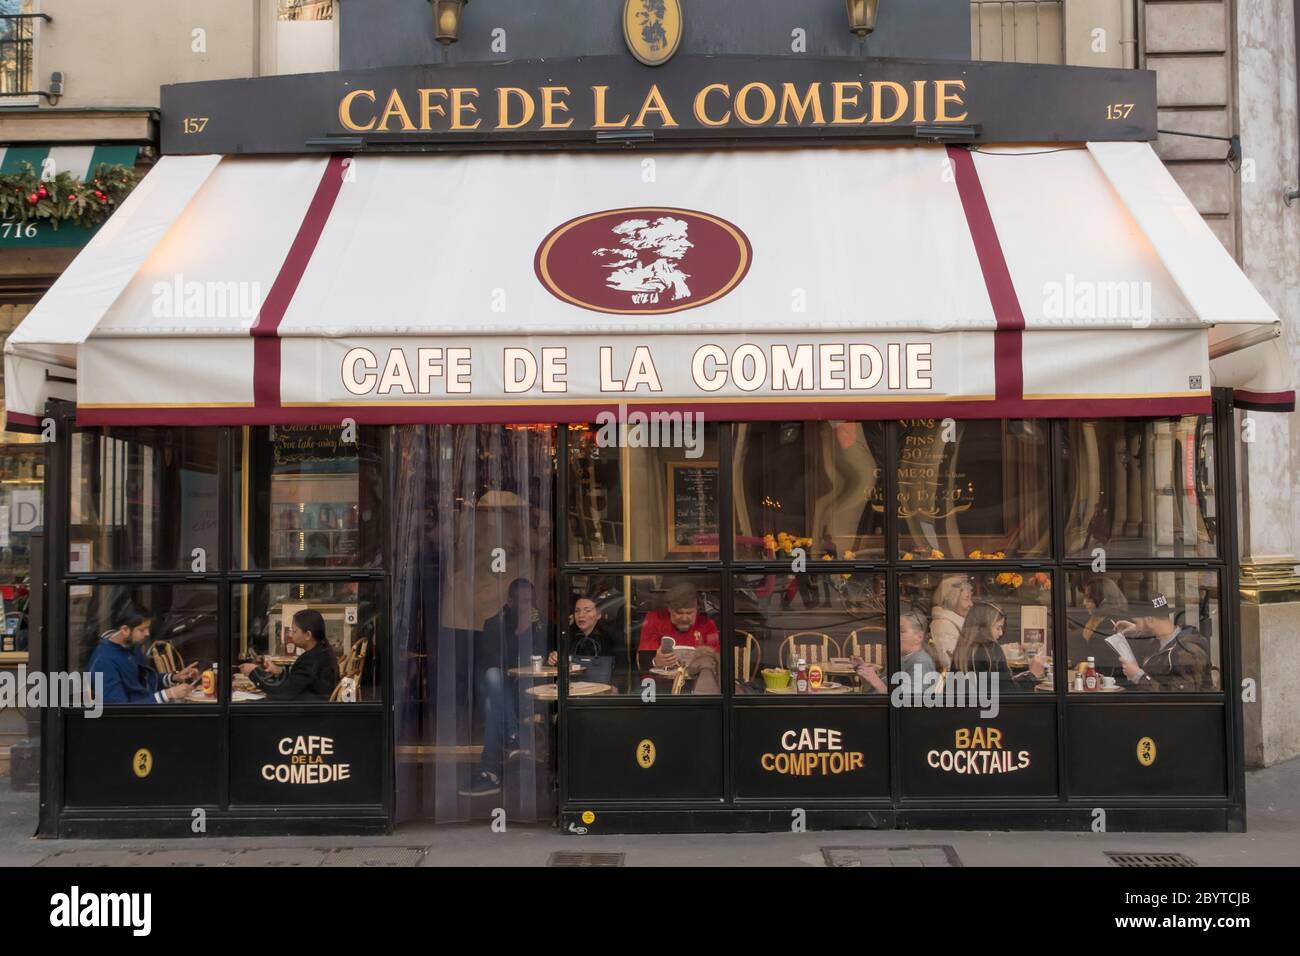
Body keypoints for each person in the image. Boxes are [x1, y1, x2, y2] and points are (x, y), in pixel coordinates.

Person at [463, 578, 552, 797]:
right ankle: (514, 736)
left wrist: (536, 631)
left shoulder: (540, 623)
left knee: (493, 707)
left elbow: (544, 657)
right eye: (523, 602)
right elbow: (497, 661)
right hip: (502, 686)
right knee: (493, 676)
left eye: (530, 601)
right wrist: (519, 633)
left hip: (527, 690)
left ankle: (490, 772)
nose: (528, 607)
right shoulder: (494, 624)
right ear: (510, 602)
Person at [87, 607, 198, 704]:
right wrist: (168, 694)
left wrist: (173, 677)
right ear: (124, 630)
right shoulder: (103, 662)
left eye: (148, 628)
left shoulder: (131, 646)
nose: (147, 633)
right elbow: (118, 710)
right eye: (142, 629)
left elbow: (145, 681)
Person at [1113, 595, 1211, 692]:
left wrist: (1138, 677)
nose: (1135, 625)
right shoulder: (1158, 642)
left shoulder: (1187, 650)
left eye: (1136, 622)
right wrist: (1138, 628)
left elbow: (1180, 698)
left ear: (1150, 620)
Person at [240, 608, 339, 701]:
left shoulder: (311, 659)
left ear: (308, 635)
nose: (291, 635)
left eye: (295, 631)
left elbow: (284, 692)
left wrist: (254, 672)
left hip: (306, 715)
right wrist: (279, 671)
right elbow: (298, 682)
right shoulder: (323, 652)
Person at [950, 602, 1045, 692]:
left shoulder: (962, 651)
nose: (1001, 633)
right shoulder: (990, 649)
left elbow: (998, 685)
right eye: (998, 628)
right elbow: (1008, 691)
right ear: (984, 628)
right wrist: (1032, 675)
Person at [637, 581, 720, 673]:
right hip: (661, 681)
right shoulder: (654, 619)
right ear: (669, 608)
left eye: (689, 613)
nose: (684, 618)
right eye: (679, 612)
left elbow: (717, 659)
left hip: (697, 681)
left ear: (697, 609)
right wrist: (655, 661)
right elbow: (643, 660)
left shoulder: (708, 625)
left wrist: (705, 658)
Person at [855, 606, 937, 693]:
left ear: (919, 637)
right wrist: (865, 672)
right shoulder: (901, 658)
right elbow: (883, 687)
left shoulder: (921, 662)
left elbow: (908, 701)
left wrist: (876, 682)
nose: (895, 635)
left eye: (901, 631)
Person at [1069, 577, 1126, 679]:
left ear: (1103, 599)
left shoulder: (1113, 624)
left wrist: (1087, 666)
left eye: (1089, 598)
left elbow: (1111, 662)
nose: (1084, 603)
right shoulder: (1091, 619)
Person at [929, 574, 972, 670]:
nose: (971, 604)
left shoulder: (954, 624)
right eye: (966, 599)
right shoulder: (943, 627)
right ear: (952, 600)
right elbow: (948, 664)